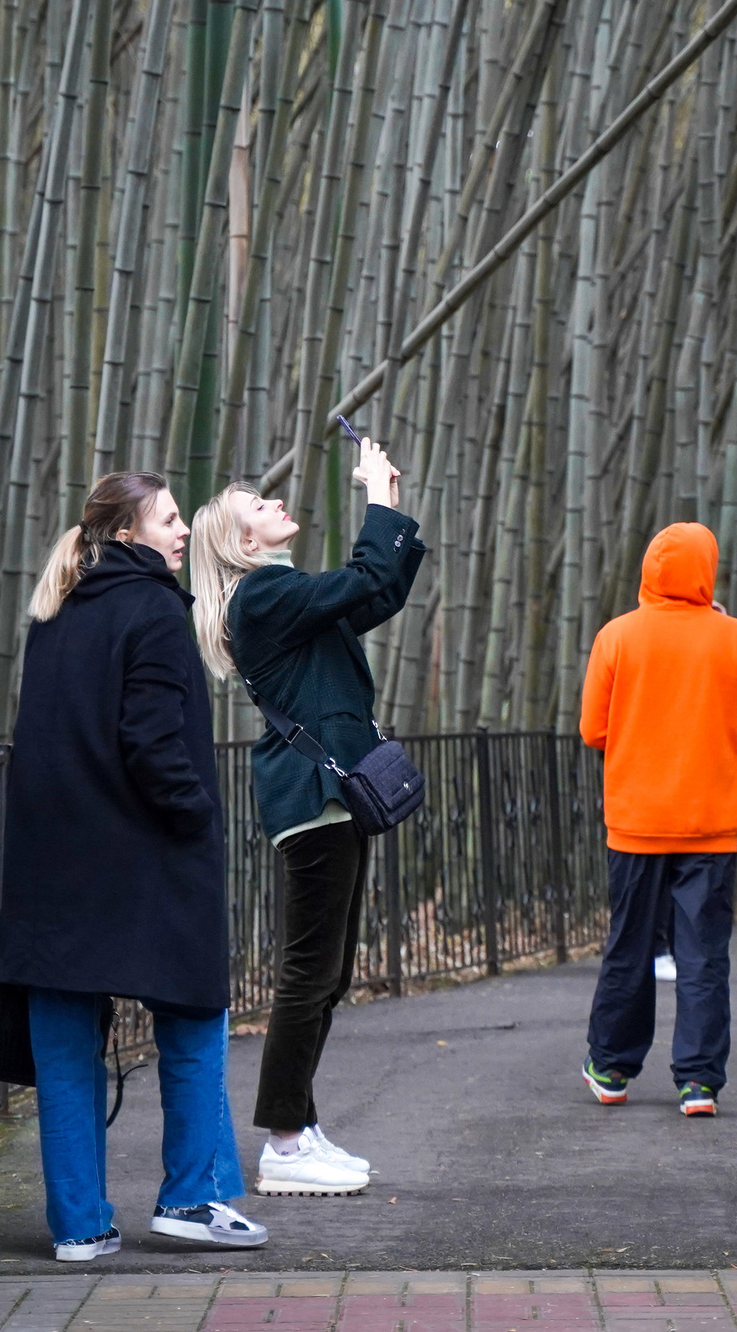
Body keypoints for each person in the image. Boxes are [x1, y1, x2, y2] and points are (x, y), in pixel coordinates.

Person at [0, 472, 266, 1260]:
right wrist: (195, 814)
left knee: (66, 1042)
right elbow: (152, 739)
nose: (183, 531)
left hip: (54, 863)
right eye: (170, 519)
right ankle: (193, 1196)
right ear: (127, 533)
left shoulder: (55, 610)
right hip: (145, 855)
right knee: (195, 1014)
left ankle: (78, 1226)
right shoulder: (154, 610)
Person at [187, 440, 424, 1194]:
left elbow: (374, 594)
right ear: (242, 541)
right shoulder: (262, 597)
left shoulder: (287, 597)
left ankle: (301, 1124)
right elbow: (364, 576)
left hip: (332, 795)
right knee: (308, 972)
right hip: (313, 799)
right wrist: (379, 498)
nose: (274, 500)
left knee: (328, 971)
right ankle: (285, 1141)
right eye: (258, 504)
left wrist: (390, 510)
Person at [577, 522, 737, 1117]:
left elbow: (593, 729)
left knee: (629, 946)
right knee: (702, 954)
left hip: (636, 822)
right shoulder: (735, 638)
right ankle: (698, 1082)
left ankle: (612, 1067)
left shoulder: (617, 637)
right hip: (710, 826)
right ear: (706, 571)